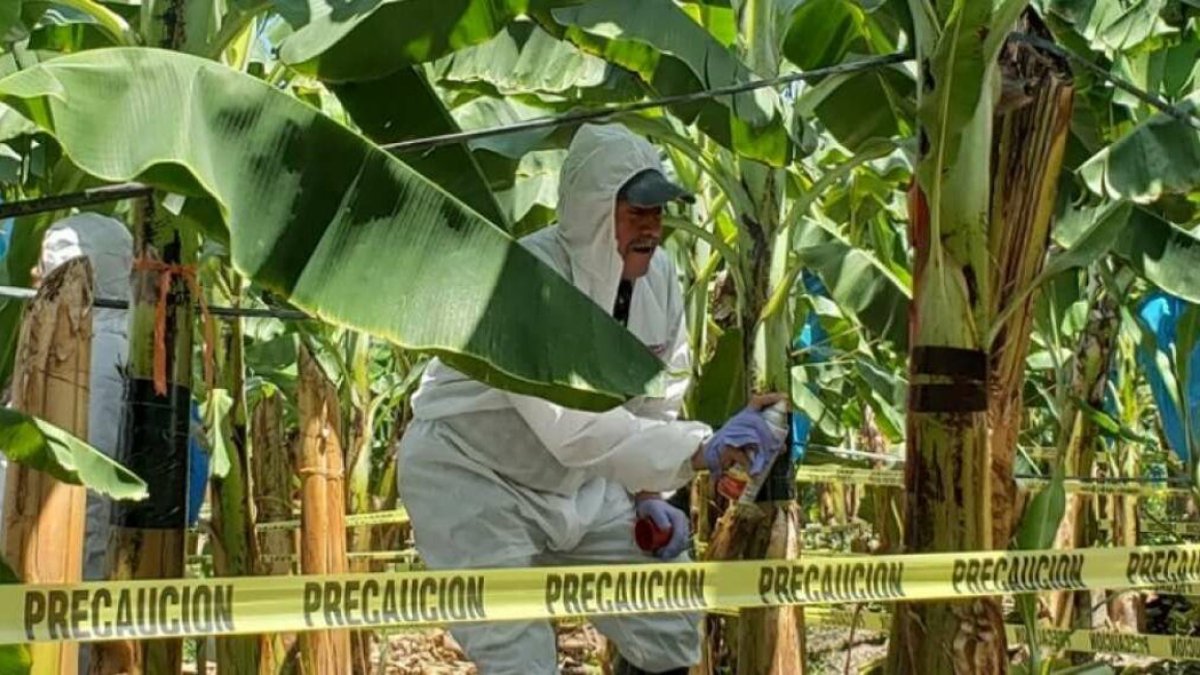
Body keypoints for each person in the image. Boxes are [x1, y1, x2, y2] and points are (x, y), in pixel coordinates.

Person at [396, 123, 784, 675]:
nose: (652, 229)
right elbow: (573, 427)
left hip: (578, 488)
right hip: (473, 480)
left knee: (668, 621)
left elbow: (660, 394)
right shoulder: (529, 279)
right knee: (522, 660)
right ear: (593, 213)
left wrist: (651, 492)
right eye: (637, 213)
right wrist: (702, 449)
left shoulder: (661, 279)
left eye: (658, 214)